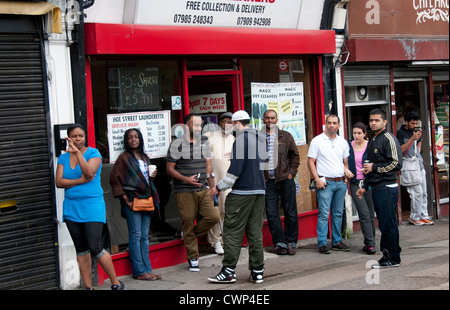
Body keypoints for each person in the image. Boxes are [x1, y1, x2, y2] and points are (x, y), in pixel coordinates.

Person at [56, 124, 124, 290]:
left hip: (92, 205)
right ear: (68, 138)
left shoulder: (94, 153)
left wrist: (78, 153)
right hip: (72, 206)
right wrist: (79, 181)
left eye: (81, 136)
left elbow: (88, 173)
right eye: (74, 136)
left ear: (84, 137)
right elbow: (59, 182)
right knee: (81, 248)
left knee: (96, 246)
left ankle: (116, 283)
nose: (78, 139)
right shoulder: (63, 158)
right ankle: (88, 287)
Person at [208, 110, 267, 284]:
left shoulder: (240, 140)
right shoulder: (260, 139)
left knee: (232, 232)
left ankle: (228, 271)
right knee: (255, 233)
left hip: (242, 193)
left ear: (236, 124)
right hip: (259, 192)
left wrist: (218, 187)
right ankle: (257, 271)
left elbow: (234, 172)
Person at [166, 114, 220, 272]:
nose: (198, 128)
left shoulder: (204, 141)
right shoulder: (176, 144)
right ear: (186, 126)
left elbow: (208, 166)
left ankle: (189, 235)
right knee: (188, 221)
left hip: (203, 188)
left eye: (200, 125)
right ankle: (193, 258)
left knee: (213, 216)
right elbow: (169, 170)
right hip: (184, 190)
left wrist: (213, 187)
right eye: (195, 125)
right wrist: (186, 179)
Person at [109, 128, 162, 281]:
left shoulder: (145, 157)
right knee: (136, 235)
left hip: (146, 199)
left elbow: (145, 179)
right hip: (132, 201)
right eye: (130, 137)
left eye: (136, 137)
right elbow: (114, 180)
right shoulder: (124, 158)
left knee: (145, 236)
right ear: (126, 140)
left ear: (140, 139)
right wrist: (127, 201)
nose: (133, 139)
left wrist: (152, 176)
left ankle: (148, 269)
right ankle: (139, 271)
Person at [357, 108, 403, 269]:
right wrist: (365, 186)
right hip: (377, 187)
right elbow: (368, 166)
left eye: (377, 120)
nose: (373, 123)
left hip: (387, 187)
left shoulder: (388, 138)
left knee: (387, 223)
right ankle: (390, 255)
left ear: (384, 121)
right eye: (371, 120)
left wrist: (374, 167)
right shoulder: (373, 140)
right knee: (384, 223)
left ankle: (391, 257)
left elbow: (396, 164)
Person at [307, 115, 353, 254]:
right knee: (323, 214)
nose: (332, 125)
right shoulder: (317, 141)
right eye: (329, 123)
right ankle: (322, 243)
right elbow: (310, 161)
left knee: (338, 214)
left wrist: (345, 179)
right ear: (325, 124)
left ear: (339, 125)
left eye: (334, 123)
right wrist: (317, 179)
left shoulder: (343, 142)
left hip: (340, 182)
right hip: (325, 183)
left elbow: (345, 162)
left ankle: (336, 241)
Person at [262, 110, 300, 255]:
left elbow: (295, 157)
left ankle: (291, 242)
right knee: (272, 213)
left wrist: (291, 174)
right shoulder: (258, 137)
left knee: (290, 212)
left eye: (272, 118)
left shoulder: (286, 136)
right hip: (268, 181)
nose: (270, 120)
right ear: (263, 120)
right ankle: (280, 243)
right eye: (267, 118)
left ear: (276, 120)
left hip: (285, 180)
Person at [204, 112, 235, 255]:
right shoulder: (210, 136)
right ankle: (215, 241)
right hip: (213, 183)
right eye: (223, 121)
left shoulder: (234, 139)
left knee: (227, 212)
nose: (225, 124)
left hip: (230, 183)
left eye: (229, 121)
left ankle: (224, 240)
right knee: (216, 213)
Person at [396, 111, 433, 226]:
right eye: (412, 123)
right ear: (406, 122)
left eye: (416, 123)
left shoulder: (414, 131)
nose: (414, 125)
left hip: (418, 163)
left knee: (424, 192)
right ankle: (414, 216)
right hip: (409, 165)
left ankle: (424, 215)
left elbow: (419, 144)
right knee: (416, 192)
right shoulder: (400, 133)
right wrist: (412, 139)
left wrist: (417, 152)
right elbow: (401, 149)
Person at [347, 122, 376, 255]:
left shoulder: (370, 146)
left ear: (365, 134)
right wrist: (345, 170)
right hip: (354, 182)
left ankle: (369, 242)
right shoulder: (348, 145)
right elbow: (341, 161)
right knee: (363, 213)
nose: (357, 136)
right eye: (354, 133)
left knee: (370, 213)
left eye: (359, 133)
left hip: (368, 182)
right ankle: (371, 244)